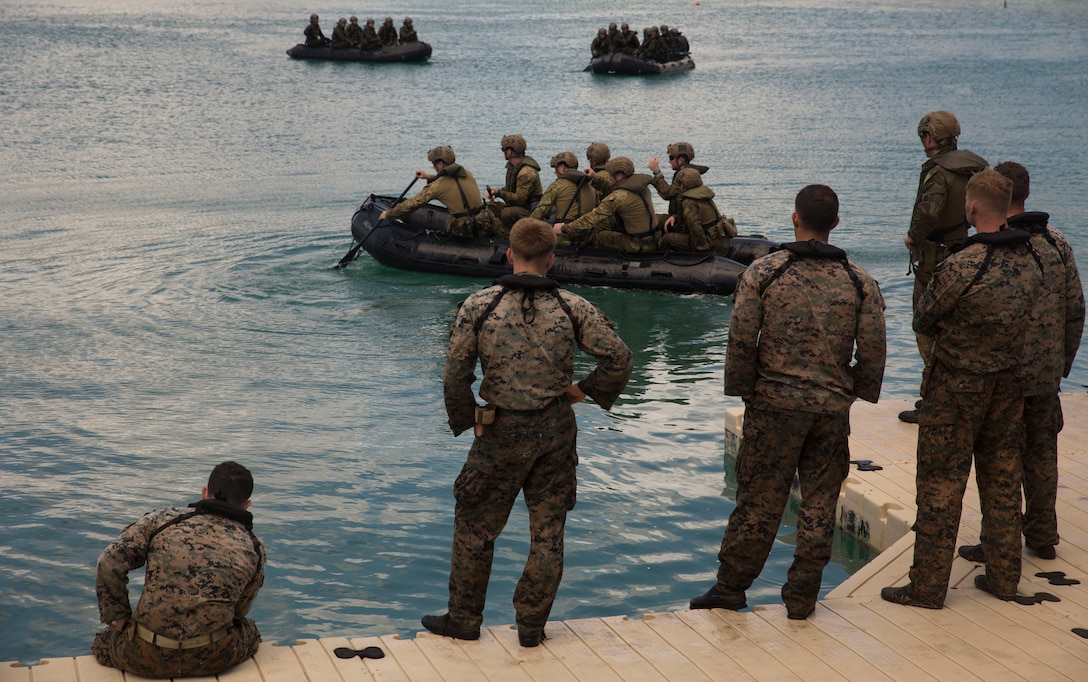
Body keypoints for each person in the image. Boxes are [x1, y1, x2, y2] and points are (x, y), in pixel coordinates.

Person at [422, 217, 633, 648]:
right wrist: (582, 390)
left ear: (509, 255)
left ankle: (464, 618)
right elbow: (620, 358)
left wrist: (469, 419)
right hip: (555, 429)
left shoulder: (479, 305)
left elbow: (454, 375)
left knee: (475, 526)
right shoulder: (573, 306)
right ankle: (531, 626)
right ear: (551, 259)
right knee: (548, 531)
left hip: (499, 431)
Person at [690, 185, 886, 621]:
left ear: (794, 218)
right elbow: (873, 352)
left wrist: (746, 390)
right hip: (830, 411)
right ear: (836, 223)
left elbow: (742, 339)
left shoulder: (765, 272)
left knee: (758, 501)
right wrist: (850, 392)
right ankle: (802, 597)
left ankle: (731, 589)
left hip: (773, 407)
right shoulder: (860, 281)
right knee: (820, 503)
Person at [881, 169, 1042, 609]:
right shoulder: (1032, 258)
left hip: (955, 387)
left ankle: (928, 587)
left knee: (940, 486)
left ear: (971, 208)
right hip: (1008, 383)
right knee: (1003, 482)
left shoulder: (963, 263)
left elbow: (923, 317)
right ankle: (1005, 578)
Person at [957, 162, 1085, 564]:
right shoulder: (1057, 242)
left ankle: (999, 541)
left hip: (1003, 372)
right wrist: (1061, 363)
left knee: (1000, 460)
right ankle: (1043, 535)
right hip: (1045, 372)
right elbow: (1076, 308)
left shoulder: (993, 246)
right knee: (1043, 454)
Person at [92, 462, 265, 679]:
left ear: (204, 492)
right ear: (246, 505)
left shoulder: (162, 520)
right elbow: (239, 610)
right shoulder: (253, 545)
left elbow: (108, 562)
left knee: (104, 639)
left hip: (142, 656)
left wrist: (120, 618)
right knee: (249, 629)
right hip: (213, 658)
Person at [899, 111, 987, 423]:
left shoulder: (938, 172)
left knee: (925, 327)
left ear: (935, 137)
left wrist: (913, 236)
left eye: (925, 135)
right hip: (963, 251)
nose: (923, 140)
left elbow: (928, 212)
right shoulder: (970, 168)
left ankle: (935, 399)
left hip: (933, 259)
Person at [380, 146, 500, 238]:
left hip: (465, 229)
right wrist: (428, 177)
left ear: (441, 164)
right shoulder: (467, 173)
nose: (433, 167)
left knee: (451, 222)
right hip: (485, 222)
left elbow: (414, 203)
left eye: (434, 164)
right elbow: (451, 183)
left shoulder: (437, 186)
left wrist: (390, 214)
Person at [554, 157, 660, 253]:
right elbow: (612, 188)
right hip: (654, 238)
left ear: (619, 175)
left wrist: (564, 228)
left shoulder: (618, 197)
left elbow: (592, 218)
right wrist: (595, 177)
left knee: (595, 236)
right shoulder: (641, 188)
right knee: (605, 223)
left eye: (611, 175)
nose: (609, 177)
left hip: (637, 244)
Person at [659, 167, 736, 255]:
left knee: (667, 239)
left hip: (710, 245)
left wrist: (703, 250)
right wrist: (675, 217)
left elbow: (695, 227)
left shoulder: (689, 202)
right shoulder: (703, 196)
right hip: (718, 240)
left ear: (683, 185)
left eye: (679, 184)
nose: (677, 187)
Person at [486, 135, 543, 235]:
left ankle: (509, 237)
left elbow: (520, 199)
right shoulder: (514, 167)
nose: (503, 152)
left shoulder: (526, 173)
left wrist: (500, 193)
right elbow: (511, 188)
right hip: (521, 207)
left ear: (510, 152)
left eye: (503, 149)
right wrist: (495, 192)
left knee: (507, 213)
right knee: (490, 207)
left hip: (530, 210)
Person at [530, 152, 599, 225]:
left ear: (562, 168)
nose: (554, 172)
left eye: (556, 168)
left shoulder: (557, 185)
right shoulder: (590, 185)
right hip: (586, 227)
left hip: (563, 228)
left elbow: (540, 212)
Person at [649, 142, 708, 216]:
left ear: (681, 160)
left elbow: (668, 194)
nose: (669, 161)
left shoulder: (684, 175)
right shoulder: (692, 172)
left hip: (684, 217)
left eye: (671, 158)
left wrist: (656, 171)